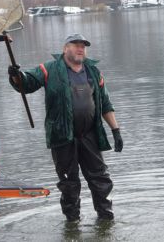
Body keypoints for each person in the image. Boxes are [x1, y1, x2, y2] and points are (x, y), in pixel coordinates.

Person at [8, 33, 123, 222]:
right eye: (76, 45)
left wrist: (116, 131)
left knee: (101, 180)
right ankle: (72, 222)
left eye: (83, 46)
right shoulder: (49, 69)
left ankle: (106, 220)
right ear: (65, 49)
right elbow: (26, 83)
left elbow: (106, 104)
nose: (80, 49)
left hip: (90, 136)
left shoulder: (94, 72)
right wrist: (15, 76)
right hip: (62, 137)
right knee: (69, 184)